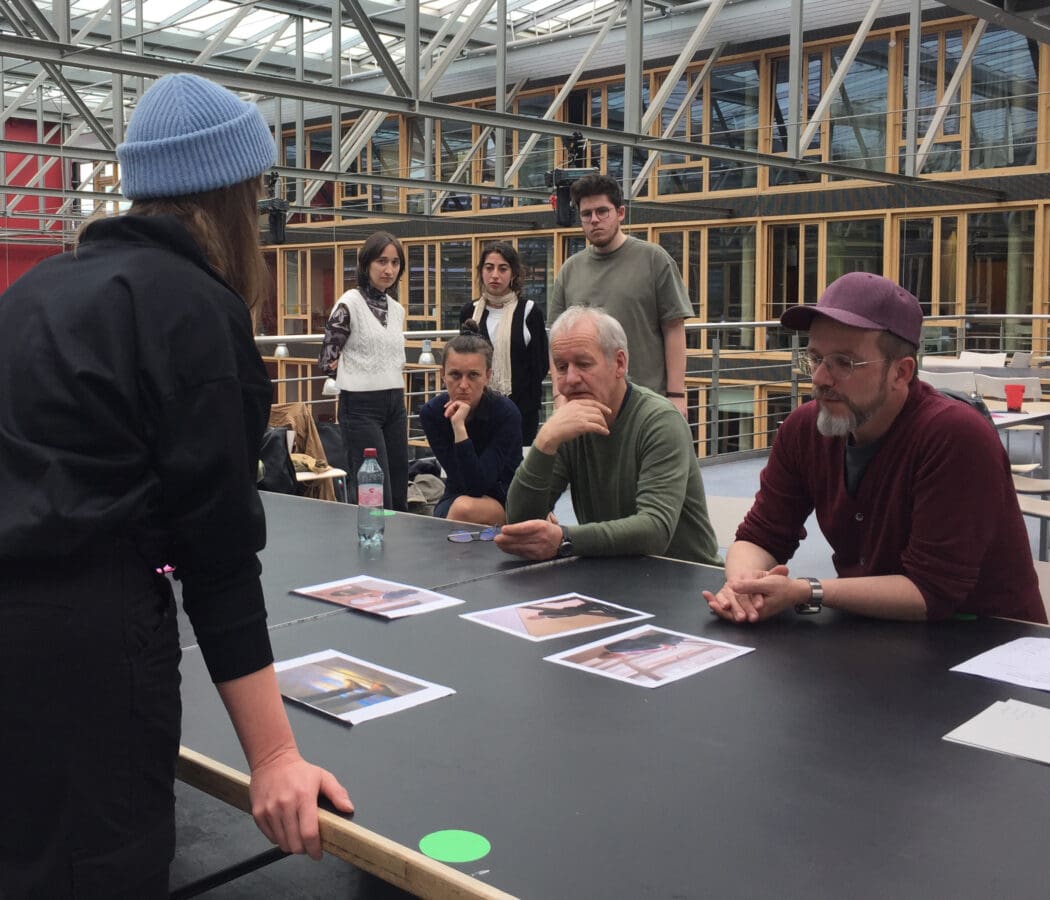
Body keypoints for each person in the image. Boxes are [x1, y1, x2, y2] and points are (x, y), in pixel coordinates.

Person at [0, 74, 352, 900]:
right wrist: (273, 758)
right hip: (87, 663)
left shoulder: (34, 293)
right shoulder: (195, 309)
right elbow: (218, 553)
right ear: (236, 197)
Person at [704, 271, 1046, 625]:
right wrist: (742, 586)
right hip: (871, 637)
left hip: (989, 647)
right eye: (815, 358)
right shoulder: (804, 429)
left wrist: (808, 590)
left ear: (901, 372)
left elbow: (931, 592)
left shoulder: (955, 436)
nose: (820, 377)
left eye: (844, 363)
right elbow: (761, 535)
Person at [494, 306, 721, 566]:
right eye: (561, 366)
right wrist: (545, 441)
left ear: (620, 363)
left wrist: (564, 539)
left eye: (583, 364)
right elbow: (520, 523)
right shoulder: (569, 426)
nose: (570, 379)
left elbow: (655, 530)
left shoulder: (660, 421)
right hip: (609, 574)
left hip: (685, 581)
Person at [548, 173, 691, 416]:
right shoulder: (569, 270)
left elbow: (674, 329)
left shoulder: (654, 260)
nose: (594, 220)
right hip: (585, 405)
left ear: (620, 213)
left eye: (602, 211)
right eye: (586, 214)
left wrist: (676, 395)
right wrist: (559, 396)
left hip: (645, 403)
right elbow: (556, 343)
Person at [319, 231, 409, 510]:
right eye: (382, 261)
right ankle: (373, 545)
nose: (389, 269)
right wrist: (356, 377)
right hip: (360, 406)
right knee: (374, 490)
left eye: (395, 263)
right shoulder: (350, 304)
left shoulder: (397, 309)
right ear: (366, 263)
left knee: (398, 485)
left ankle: (398, 548)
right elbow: (326, 359)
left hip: (395, 402)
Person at [419, 321, 523, 525]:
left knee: (463, 509)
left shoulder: (506, 414)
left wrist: (459, 428)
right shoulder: (432, 414)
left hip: (504, 499)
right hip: (457, 494)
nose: (463, 385)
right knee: (461, 508)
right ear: (443, 375)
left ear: (488, 376)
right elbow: (462, 481)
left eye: (473, 375)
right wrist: (458, 426)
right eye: (455, 375)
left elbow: (479, 485)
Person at [459, 241, 548, 444]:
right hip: (478, 410)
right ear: (481, 272)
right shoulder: (469, 312)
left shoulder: (529, 311)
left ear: (514, 274)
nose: (495, 275)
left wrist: (524, 405)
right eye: (489, 268)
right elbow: (462, 359)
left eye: (503, 268)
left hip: (521, 413)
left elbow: (540, 365)